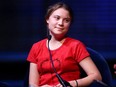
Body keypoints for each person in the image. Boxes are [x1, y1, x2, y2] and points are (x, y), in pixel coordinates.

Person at [27, 2, 102, 87]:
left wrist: (72, 83)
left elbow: (96, 76)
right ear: (47, 19)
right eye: (57, 18)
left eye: (66, 20)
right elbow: (32, 84)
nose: (61, 23)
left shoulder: (75, 46)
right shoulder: (36, 47)